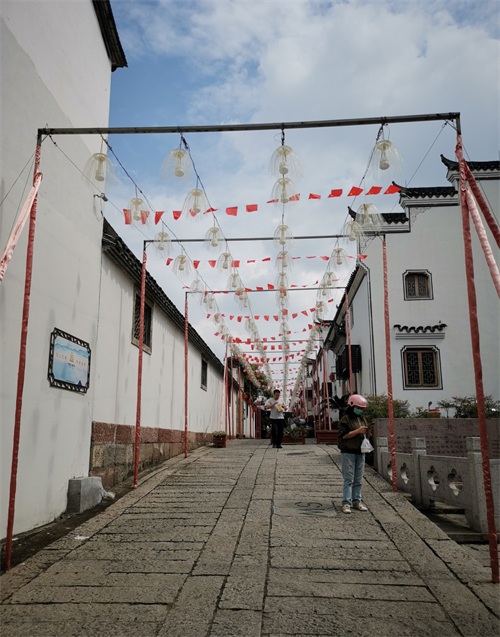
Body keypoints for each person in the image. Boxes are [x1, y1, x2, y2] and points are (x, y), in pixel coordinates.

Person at [337, 394, 370, 514]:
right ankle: (346, 502)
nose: (360, 410)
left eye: (362, 408)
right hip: (348, 451)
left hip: (360, 451)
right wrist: (357, 431)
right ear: (352, 406)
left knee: (358, 479)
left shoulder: (362, 419)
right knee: (349, 478)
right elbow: (343, 435)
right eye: (358, 408)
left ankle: (357, 501)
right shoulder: (345, 419)